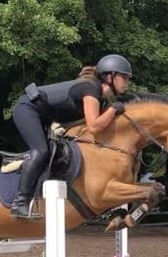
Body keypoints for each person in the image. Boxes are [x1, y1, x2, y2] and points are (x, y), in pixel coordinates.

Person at [9, 54, 133, 219]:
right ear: (109, 76)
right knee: (41, 151)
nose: (127, 81)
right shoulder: (91, 88)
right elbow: (94, 126)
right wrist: (113, 110)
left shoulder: (100, 98)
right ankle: (20, 202)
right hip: (28, 109)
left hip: (44, 116)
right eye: (124, 76)